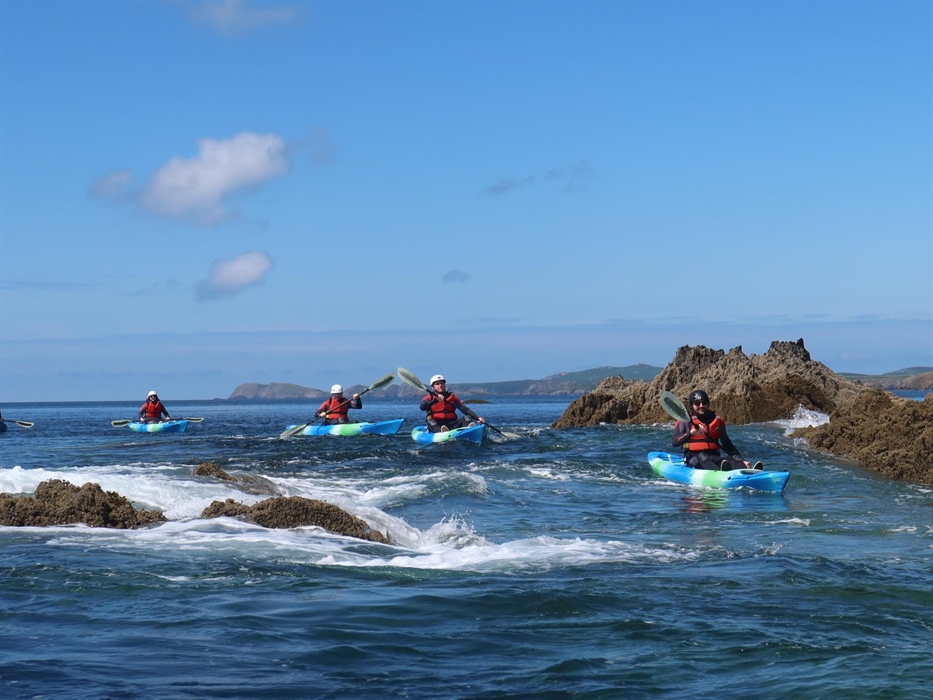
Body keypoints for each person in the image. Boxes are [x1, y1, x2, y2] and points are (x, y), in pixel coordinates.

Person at [671, 389, 759, 470]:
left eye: (704, 402)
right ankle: (718, 474)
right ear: (691, 405)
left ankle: (747, 470)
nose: (701, 406)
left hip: (714, 457)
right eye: (697, 403)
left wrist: (741, 459)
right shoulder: (684, 421)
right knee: (702, 456)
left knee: (734, 459)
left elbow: (726, 443)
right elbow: (674, 442)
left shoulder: (717, 420)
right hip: (694, 459)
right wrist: (691, 432)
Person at [420, 374, 485, 433]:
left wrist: (478, 418)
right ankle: (442, 432)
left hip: (452, 424)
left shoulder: (452, 397)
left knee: (467, 418)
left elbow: (465, 409)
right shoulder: (429, 397)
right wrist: (435, 401)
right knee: (432, 422)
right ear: (432, 387)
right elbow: (422, 407)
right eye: (437, 384)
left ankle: (468, 432)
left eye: (442, 383)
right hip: (437, 424)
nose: (440, 385)